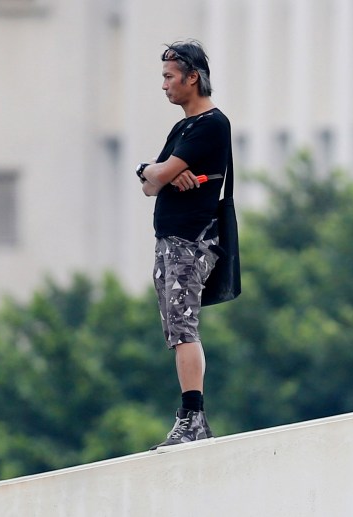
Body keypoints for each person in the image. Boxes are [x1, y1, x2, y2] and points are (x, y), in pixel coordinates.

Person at [136, 40, 232, 450]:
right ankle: (192, 417)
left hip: (189, 241)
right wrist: (155, 171)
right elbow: (148, 186)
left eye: (169, 77)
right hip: (173, 240)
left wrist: (156, 172)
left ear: (192, 77)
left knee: (183, 329)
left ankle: (192, 417)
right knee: (178, 327)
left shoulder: (211, 124)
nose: (164, 86)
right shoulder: (184, 128)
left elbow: (154, 178)